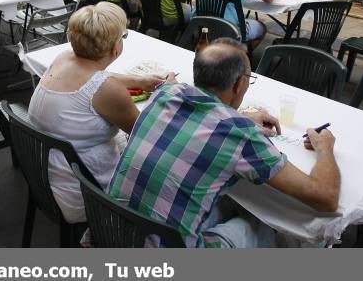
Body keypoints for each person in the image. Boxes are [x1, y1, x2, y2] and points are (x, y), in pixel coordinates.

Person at [108, 39, 340, 248]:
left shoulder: (166, 94)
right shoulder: (242, 135)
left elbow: (198, 115)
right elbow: (325, 197)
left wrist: (243, 118)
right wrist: (325, 148)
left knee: (226, 205)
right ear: (239, 84)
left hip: (112, 232)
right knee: (261, 223)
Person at [28, 3, 173, 224]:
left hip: (46, 172)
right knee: (166, 162)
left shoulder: (64, 57)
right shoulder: (106, 90)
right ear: (116, 47)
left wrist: (140, 81)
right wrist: (167, 92)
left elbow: (96, 75)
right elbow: (147, 134)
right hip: (84, 189)